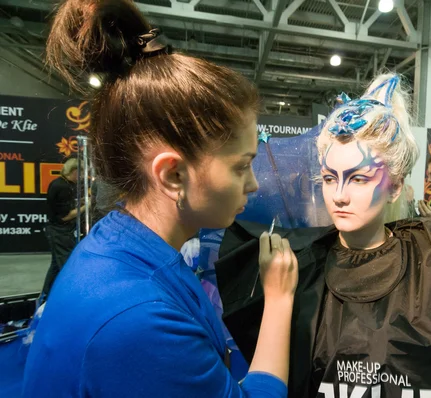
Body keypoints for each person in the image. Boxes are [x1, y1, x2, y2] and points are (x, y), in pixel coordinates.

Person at [23, 1, 298, 397]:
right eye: (241, 166)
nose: (253, 184)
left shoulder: (121, 244)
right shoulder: (137, 319)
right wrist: (279, 298)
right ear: (173, 175)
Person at [216, 74, 431, 397]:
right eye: (328, 178)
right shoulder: (299, 266)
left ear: (395, 187)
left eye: (359, 179)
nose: (338, 195)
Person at [40, 158, 83, 299]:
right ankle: (69, 297)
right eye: (80, 173)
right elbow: (65, 216)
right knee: (66, 264)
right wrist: (86, 206)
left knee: (55, 265)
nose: (82, 176)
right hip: (59, 230)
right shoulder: (62, 187)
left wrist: (80, 202)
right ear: (74, 171)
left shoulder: (63, 184)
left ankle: (46, 295)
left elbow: (67, 206)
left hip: (58, 229)